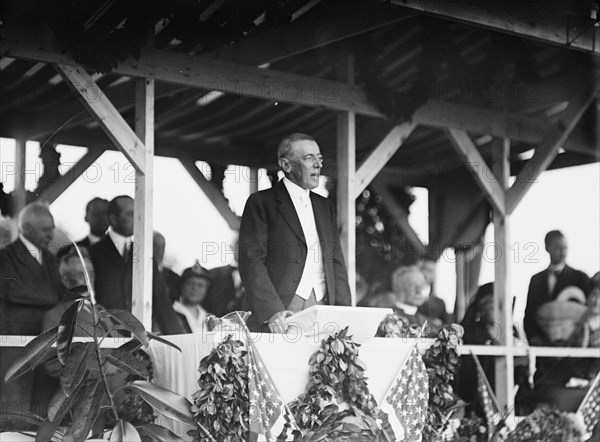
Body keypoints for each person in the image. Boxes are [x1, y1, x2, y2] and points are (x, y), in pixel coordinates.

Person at [239, 133, 352, 333]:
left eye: (320, 158)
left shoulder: (326, 206)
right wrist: (272, 311)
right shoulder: (261, 203)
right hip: (282, 310)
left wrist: (345, 313)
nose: (318, 164)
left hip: (324, 306)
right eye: (309, 158)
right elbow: (252, 262)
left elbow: (336, 262)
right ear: (286, 165)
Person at [88, 195, 186, 335]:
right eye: (130, 214)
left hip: (140, 344)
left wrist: (181, 344)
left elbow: (161, 300)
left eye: (138, 214)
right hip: (105, 341)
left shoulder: (145, 254)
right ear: (113, 219)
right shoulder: (93, 253)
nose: (136, 219)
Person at [0, 202, 62, 417]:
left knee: (42, 413)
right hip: (15, 349)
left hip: (44, 348)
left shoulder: (51, 260)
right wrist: (51, 298)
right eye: (45, 229)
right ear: (26, 228)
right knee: (15, 414)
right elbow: (13, 292)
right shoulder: (5, 257)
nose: (51, 234)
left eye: (52, 228)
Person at [524, 230, 589, 345]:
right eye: (558, 248)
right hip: (544, 348)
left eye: (565, 248)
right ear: (547, 248)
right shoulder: (536, 280)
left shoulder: (580, 278)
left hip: (574, 346)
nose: (563, 252)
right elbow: (529, 316)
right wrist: (535, 340)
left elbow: (590, 311)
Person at [388, 265, 442, 337]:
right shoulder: (387, 319)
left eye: (422, 285)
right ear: (398, 288)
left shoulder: (430, 324)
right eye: (412, 285)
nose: (419, 290)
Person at [173, 262, 213, 333]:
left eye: (200, 285)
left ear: (206, 290)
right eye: (190, 283)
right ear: (182, 286)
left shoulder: (209, 318)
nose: (194, 288)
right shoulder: (172, 311)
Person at [417, 258, 451, 323]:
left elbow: (447, 325)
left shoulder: (440, 303)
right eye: (423, 269)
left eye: (430, 271)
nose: (425, 274)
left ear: (434, 275)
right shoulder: (409, 296)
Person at [153, 231, 180, 304]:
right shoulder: (134, 273)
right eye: (155, 246)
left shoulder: (173, 278)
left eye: (162, 247)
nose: (159, 251)